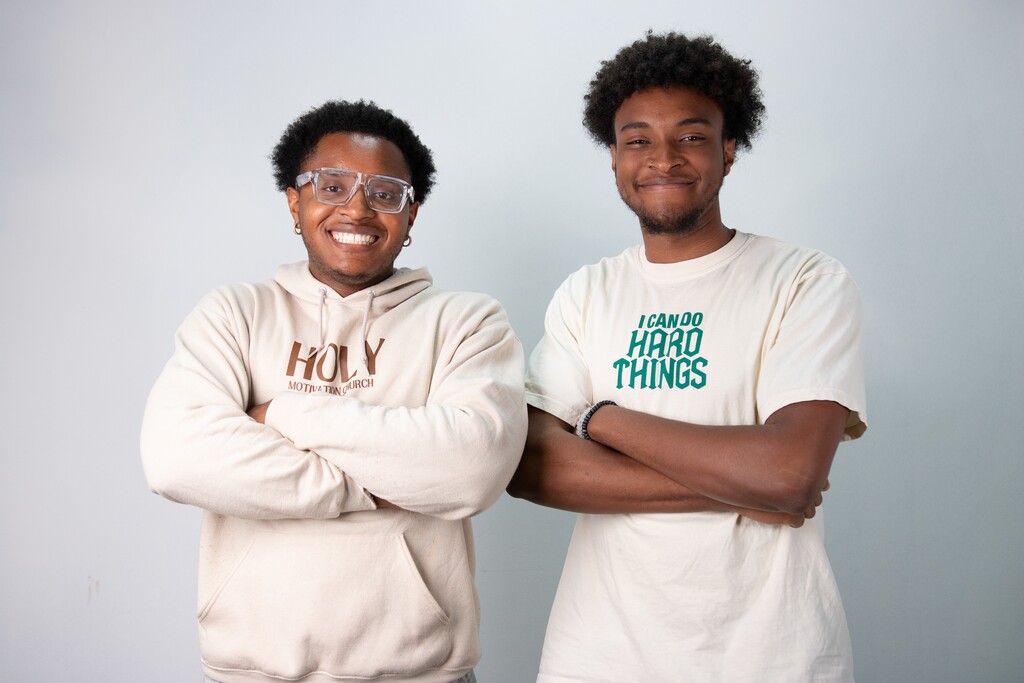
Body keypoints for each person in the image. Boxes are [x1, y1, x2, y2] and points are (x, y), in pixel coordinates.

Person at [507, 32, 867, 682]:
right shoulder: (586, 293)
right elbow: (529, 466)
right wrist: (740, 482)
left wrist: (600, 417)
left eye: (692, 136)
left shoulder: (806, 280)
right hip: (598, 658)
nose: (663, 157)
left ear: (730, 150)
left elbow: (788, 471)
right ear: (613, 158)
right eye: (638, 139)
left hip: (772, 657)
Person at [141, 100, 527, 683]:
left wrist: (282, 413)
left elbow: (470, 469)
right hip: (252, 671)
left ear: (412, 212)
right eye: (333, 184)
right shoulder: (234, 315)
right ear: (295, 202)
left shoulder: (468, 322)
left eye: (386, 191)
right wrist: (387, 478)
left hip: (421, 672)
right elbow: (176, 457)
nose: (358, 208)